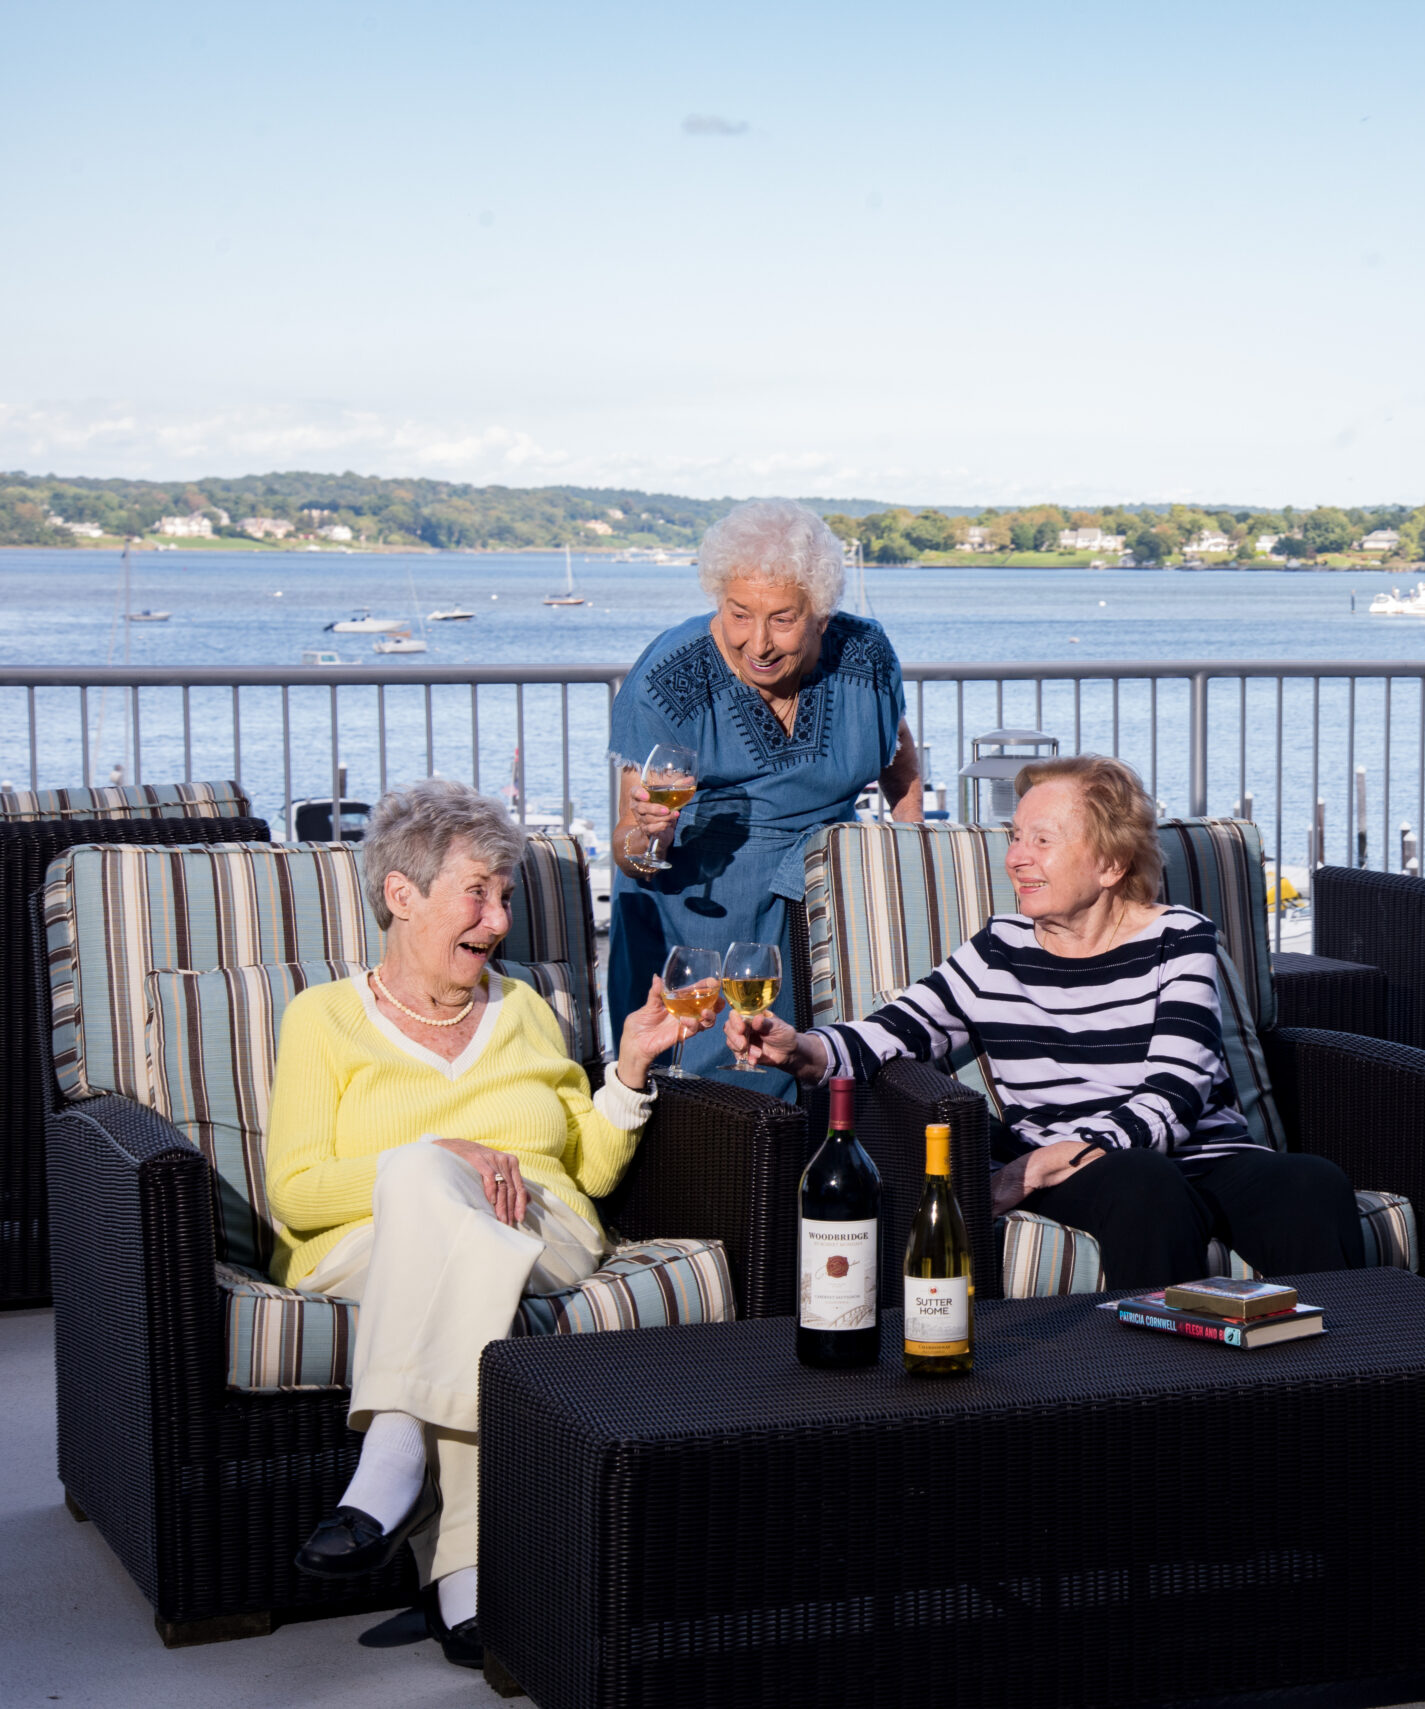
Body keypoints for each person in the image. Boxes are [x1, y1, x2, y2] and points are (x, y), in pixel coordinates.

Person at [267, 780, 710, 1665]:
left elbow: (584, 1169)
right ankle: (464, 1579)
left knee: (469, 1240)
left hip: (544, 1228)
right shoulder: (322, 1019)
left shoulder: (524, 1011)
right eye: (478, 892)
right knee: (441, 1198)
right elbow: (297, 1194)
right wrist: (444, 1156)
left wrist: (625, 1071)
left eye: (506, 895)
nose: (499, 918)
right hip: (365, 1242)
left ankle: (390, 1460)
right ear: (402, 896)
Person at [726, 753, 1366, 1291]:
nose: (1017, 859)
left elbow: (1176, 1092)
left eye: (1042, 841)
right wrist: (800, 1047)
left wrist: (1047, 1161)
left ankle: (1340, 1389)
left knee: (1311, 1183)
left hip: (1189, 1156)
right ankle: (1157, 1396)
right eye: (1015, 837)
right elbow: (889, 1034)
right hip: (1103, 1176)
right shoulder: (999, 950)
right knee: (1145, 1186)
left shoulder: (1179, 939)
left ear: (1111, 864)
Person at [608, 497, 922, 1078]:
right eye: (738, 614)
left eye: (782, 618)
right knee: (716, 1107)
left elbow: (901, 775)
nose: (758, 643)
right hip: (699, 921)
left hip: (829, 902)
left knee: (842, 1076)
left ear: (822, 618)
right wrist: (649, 837)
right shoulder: (669, 675)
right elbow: (628, 853)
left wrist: (902, 873)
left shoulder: (865, 654)